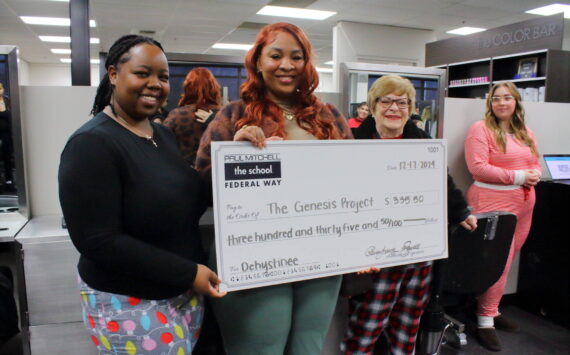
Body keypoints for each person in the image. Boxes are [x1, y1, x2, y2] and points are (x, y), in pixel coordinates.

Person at [58, 35, 225, 355]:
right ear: (113, 74)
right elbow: (97, 240)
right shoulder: (91, 144)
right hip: (129, 300)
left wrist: (237, 150)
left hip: (181, 295)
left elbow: (186, 196)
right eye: (142, 73)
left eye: (162, 77)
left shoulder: (161, 134)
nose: (155, 84)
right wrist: (189, 272)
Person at [195, 22, 352, 355]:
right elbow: (200, 190)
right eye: (276, 55)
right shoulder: (233, 115)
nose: (286, 65)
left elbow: (355, 183)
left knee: (308, 345)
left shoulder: (329, 116)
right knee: (259, 346)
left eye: (297, 57)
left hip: (321, 252)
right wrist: (234, 156)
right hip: (256, 253)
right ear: (258, 61)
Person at [342, 75, 477, 355]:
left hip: (418, 255)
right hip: (375, 259)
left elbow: (442, 179)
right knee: (364, 333)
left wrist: (460, 210)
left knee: (407, 331)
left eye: (402, 102)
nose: (394, 108)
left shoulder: (422, 140)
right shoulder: (353, 142)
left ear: (410, 107)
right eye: (386, 101)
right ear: (373, 105)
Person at [464, 82, 540, 352]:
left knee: (508, 260)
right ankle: (484, 321)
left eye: (507, 98)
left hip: (524, 203)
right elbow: (478, 167)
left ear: (516, 101)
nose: (501, 103)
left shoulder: (524, 131)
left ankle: (492, 310)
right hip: (493, 201)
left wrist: (534, 173)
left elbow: (534, 161)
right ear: (490, 103)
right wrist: (519, 176)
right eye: (496, 98)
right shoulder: (480, 129)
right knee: (497, 262)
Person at [163, 67, 222, 166]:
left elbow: (161, 145)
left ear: (187, 88)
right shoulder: (224, 115)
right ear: (214, 87)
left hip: (183, 175)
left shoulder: (176, 115)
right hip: (215, 175)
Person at [0, 82, 15, 192]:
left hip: (7, 134)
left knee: (7, 158)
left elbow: (11, 116)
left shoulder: (8, 101)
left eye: (0, 88)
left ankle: (9, 181)